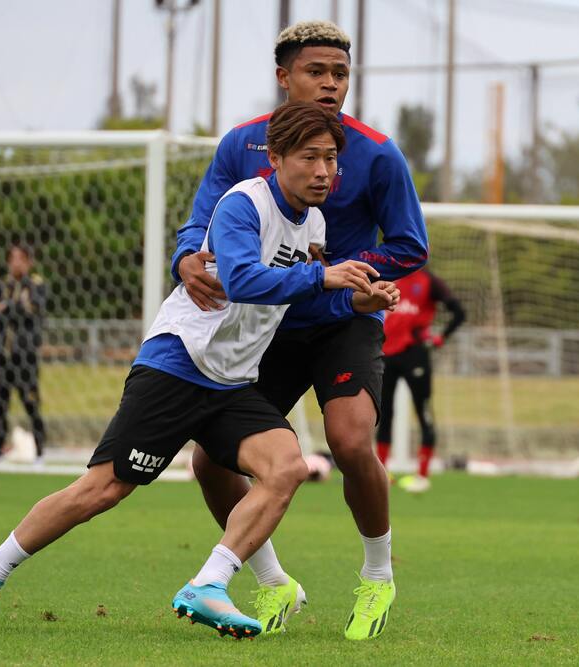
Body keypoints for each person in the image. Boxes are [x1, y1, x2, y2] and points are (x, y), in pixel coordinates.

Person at [0, 101, 395, 638]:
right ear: (276, 158)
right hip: (179, 363)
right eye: (310, 157)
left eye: (330, 158)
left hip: (232, 382)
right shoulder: (243, 204)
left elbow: (296, 299)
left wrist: (356, 302)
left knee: (287, 467)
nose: (323, 171)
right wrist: (324, 278)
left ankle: (209, 584)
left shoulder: (315, 224)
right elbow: (240, 280)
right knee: (102, 490)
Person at [172, 21, 429, 640]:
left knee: (349, 442)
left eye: (341, 73)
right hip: (267, 326)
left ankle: (377, 575)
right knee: (210, 461)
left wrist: (347, 274)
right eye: (317, 72)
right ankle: (272, 582)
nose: (331, 83)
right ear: (284, 77)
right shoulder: (241, 144)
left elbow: (410, 244)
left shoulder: (378, 153)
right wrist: (185, 257)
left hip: (343, 320)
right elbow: (202, 219)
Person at [376, 269, 466, 493]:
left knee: (423, 411)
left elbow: (459, 312)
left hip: (415, 354)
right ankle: (381, 474)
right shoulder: (386, 275)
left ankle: (422, 475)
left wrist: (440, 338)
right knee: (383, 413)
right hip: (386, 354)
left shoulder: (429, 281)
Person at [0, 243, 47, 464]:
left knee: (31, 404)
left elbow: (34, 310)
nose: (16, 263)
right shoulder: (1, 285)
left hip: (25, 356)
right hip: (2, 356)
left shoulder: (36, 285)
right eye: (12, 259)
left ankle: (40, 453)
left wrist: (8, 308)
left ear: (29, 262)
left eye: (21, 258)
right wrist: (15, 307)